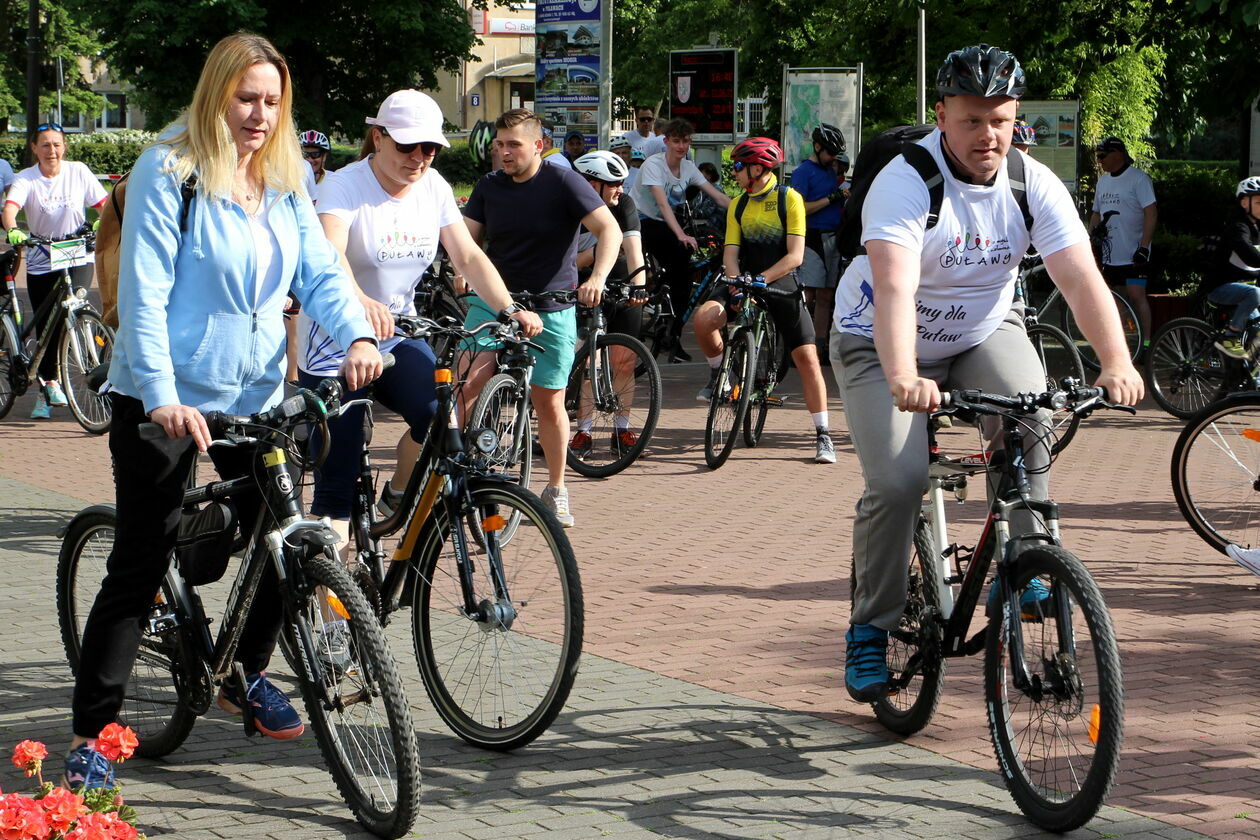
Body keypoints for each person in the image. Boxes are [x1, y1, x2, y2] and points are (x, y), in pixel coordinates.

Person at [63, 32, 385, 792]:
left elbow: (320, 271)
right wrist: (161, 393)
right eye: (246, 99)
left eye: (272, 102)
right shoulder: (169, 169)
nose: (260, 115)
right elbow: (144, 294)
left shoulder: (282, 176)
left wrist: (359, 334)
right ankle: (90, 736)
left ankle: (244, 670)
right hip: (162, 393)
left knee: (284, 532)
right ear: (216, 95)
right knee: (141, 558)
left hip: (254, 393)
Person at [831, 44, 1143, 703]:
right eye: (971, 119)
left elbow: (1079, 277)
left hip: (979, 331)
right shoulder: (906, 181)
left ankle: (1026, 565)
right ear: (942, 114)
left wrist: (1116, 361)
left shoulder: (1032, 183)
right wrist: (903, 374)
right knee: (899, 482)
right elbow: (893, 286)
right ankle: (869, 628)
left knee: (1033, 418)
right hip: (880, 340)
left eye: (999, 120)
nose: (987, 135)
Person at [298, 90, 541, 545]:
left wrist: (509, 307)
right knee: (337, 483)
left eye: (430, 147)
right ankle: (331, 581)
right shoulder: (344, 186)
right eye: (407, 145)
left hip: (396, 334)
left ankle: (396, 494)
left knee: (441, 418)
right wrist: (359, 300)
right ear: (378, 137)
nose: (419, 157)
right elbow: (329, 254)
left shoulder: (434, 187)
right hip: (336, 341)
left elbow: (467, 255)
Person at [460, 109, 621, 527]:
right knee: (467, 380)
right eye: (499, 144)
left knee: (548, 401)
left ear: (538, 145)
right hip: (495, 300)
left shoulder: (563, 182)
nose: (504, 152)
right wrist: (461, 270)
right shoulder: (488, 186)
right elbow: (466, 240)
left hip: (552, 305)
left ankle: (556, 488)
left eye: (513, 144)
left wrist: (597, 278)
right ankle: (455, 474)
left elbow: (610, 230)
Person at [692, 137, 836, 464]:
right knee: (704, 319)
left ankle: (823, 433)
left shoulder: (789, 199)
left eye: (738, 166)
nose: (734, 172)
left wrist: (763, 279)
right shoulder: (739, 204)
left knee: (808, 358)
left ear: (757, 169)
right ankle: (719, 375)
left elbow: (795, 256)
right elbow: (731, 253)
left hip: (778, 277)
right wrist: (736, 284)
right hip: (742, 278)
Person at [3, 123, 108, 418]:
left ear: (65, 147)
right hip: (42, 257)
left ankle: (89, 366)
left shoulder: (78, 171)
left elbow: (104, 204)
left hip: (76, 253)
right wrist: (12, 229)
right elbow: (10, 209)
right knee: (48, 325)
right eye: (46, 145)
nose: (52, 150)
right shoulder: (26, 178)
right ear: (35, 148)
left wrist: (104, 220)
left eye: (57, 144)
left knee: (74, 309)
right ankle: (46, 388)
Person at [569, 150, 649, 456]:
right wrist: (598, 252)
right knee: (590, 362)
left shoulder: (624, 204)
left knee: (624, 361)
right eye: (614, 183)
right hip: (582, 287)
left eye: (621, 183)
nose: (620, 189)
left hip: (620, 283)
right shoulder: (570, 207)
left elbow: (634, 251)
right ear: (592, 185)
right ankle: (583, 432)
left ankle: (621, 431)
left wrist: (639, 287)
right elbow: (569, 263)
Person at [634, 118, 730, 361]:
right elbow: (662, 205)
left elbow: (718, 197)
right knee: (678, 252)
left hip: (667, 222)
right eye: (676, 141)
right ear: (666, 141)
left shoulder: (688, 168)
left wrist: (746, 214)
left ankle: (671, 332)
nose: (681, 146)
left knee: (684, 275)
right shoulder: (654, 164)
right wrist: (681, 234)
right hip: (642, 219)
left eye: (685, 141)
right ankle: (657, 298)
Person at [1091, 136, 1157, 354]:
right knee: (1116, 301)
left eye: (1103, 155)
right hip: (1111, 254)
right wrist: (1092, 239)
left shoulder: (1139, 179)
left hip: (1134, 252)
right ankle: (1123, 346)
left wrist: (1144, 246)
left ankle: (1146, 344)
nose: (1100, 160)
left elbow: (1151, 212)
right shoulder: (1103, 182)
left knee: (1137, 296)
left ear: (1117, 154)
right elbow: (1096, 213)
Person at [792, 123, 848, 361]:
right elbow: (799, 209)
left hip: (833, 237)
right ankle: (799, 345)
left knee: (826, 295)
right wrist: (831, 198)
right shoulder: (803, 172)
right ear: (817, 147)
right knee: (809, 294)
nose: (833, 158)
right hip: (813, 237)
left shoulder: (829, 171)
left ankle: (820, 345)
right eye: (830, 153)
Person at [1202, 177, 1260, 358]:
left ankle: (1241, 371)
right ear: (1244, 203)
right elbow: (1249, 255)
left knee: (1257, 331)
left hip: (1243, 290)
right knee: (1255, 293)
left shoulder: (1257, 227)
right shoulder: (1238, 227)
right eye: (1259, 202)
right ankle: (1230, 336)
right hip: (1220, 288)